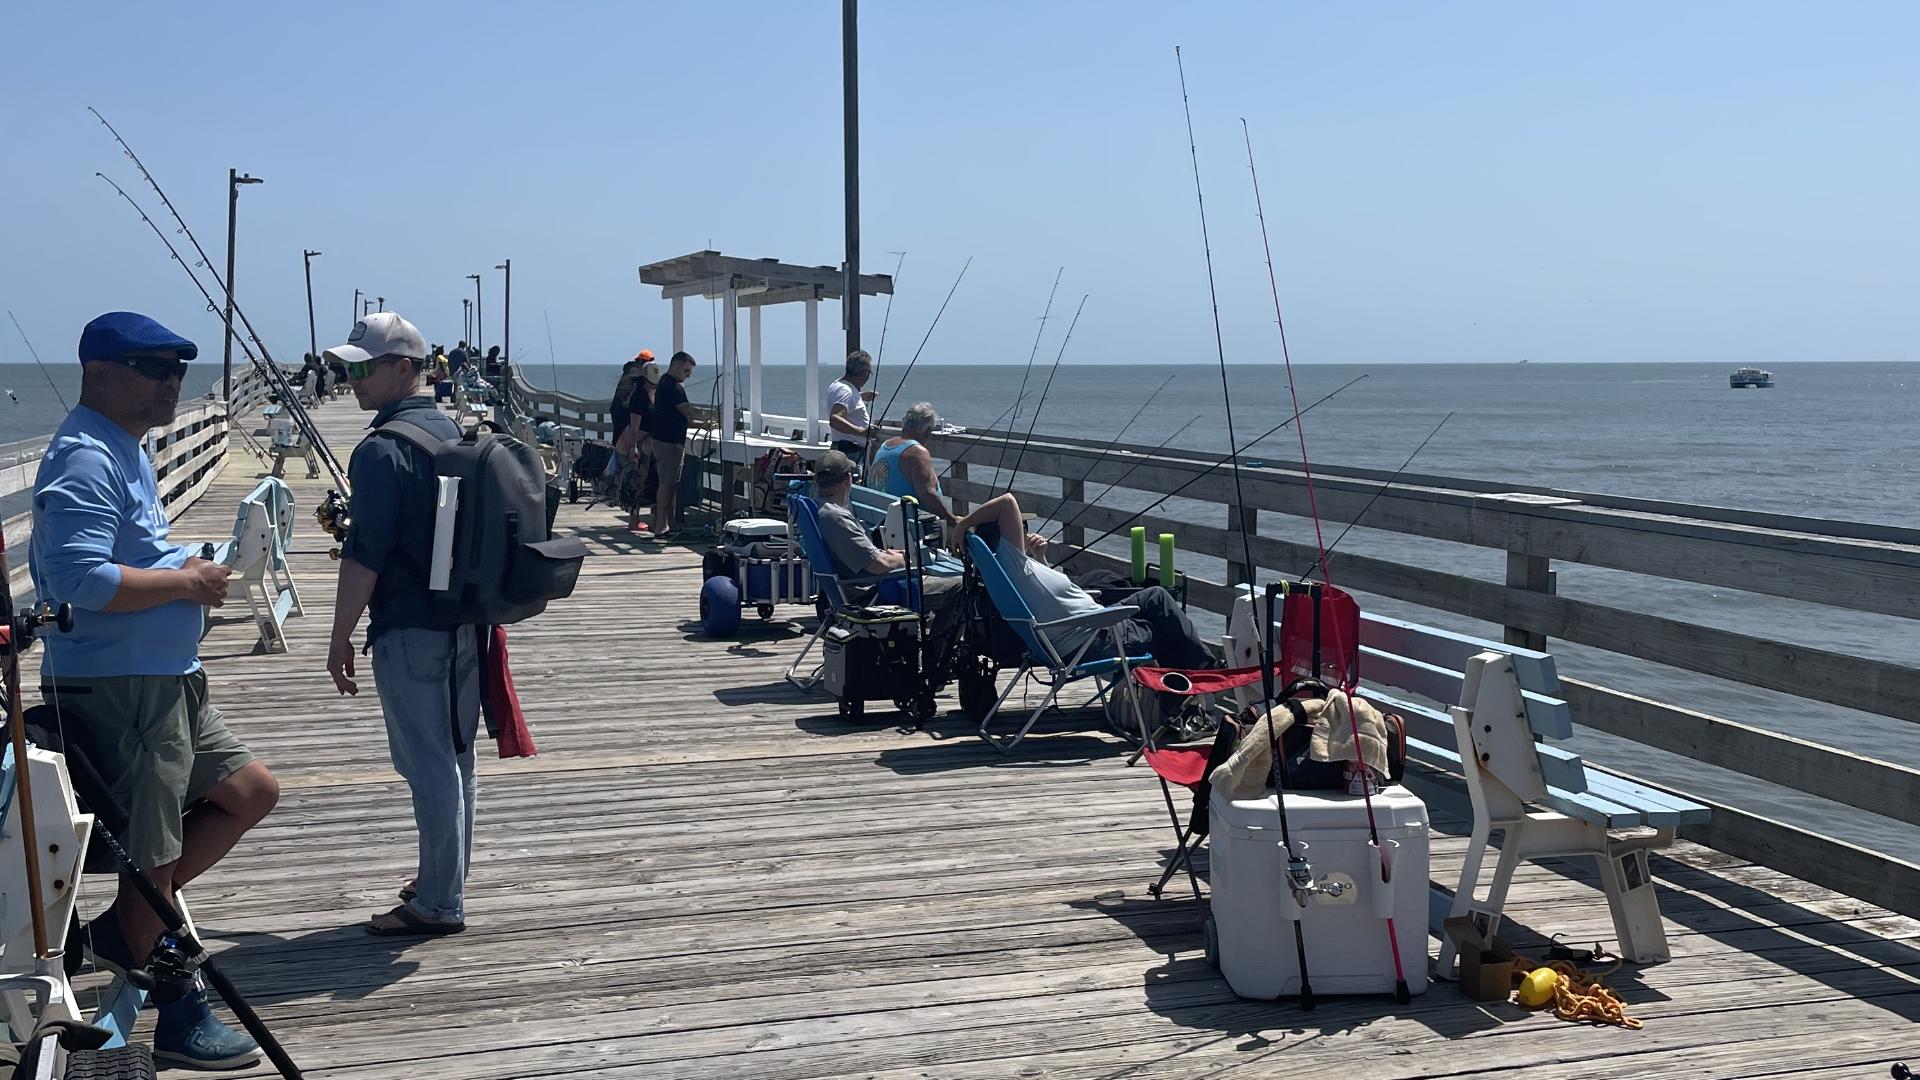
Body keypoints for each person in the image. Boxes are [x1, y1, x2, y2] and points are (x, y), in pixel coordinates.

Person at [32, 312, 279, 1070]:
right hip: (122, 687)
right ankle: (158, 980)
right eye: (153, 367)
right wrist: (184, 581)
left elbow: (130, 550)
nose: (172, 381)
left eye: (178, 368)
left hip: (171, 681)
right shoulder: (83, 457)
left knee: (251, 792)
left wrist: (196, 559)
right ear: (101, 371)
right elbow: (75, 581)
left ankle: (123, 932)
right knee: (154, 845)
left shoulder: (125, 450)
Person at [322, 312, 481, 938]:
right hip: (465, 621)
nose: (352, 377)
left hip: (411, 627)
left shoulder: (381, 449)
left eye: (365, 367)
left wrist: (339, 638)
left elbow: (366, 556)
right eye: (348, 366)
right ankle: (445, 878)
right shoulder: (451, 429)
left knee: (427, 761)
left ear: (405, 369)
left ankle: (440, 903)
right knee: (457, 756)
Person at [955, 492, 1217, 670]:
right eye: (1020, 527)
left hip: (1079, 629)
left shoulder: (1006, 570)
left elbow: (1049, 597)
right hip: (1093, 637)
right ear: (1004, 538)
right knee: (1160, 621)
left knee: (1155, 598)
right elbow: (1007, 501)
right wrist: (962, 524)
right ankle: (1204, 672)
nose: (1024, 530)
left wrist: (1039, 557)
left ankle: (1187, 686)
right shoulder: (1011, 561)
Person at [812, 450, 961, 608]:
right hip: (868, 594)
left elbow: (864, 555)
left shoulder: (816, 509)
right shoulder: (837, 518)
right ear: (848, 480)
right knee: (960, 585)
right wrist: (910, 558)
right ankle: (937, 634)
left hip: (843, 590)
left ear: (816, 480)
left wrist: (888, 555)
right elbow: (878, 565)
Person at [870, 401, 957, 530]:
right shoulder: (917, 452)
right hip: (911, 527)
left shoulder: (885, 446)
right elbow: (927, 494)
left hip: (883, 521)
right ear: (928, 431)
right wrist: (952, 519)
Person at [649, 351, 698, 539]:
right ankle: (660, 526)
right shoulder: (673, 387)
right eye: (686, 371)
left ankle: (670, 523)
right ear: (676, 365)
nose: (686, 376)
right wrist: (709, 416)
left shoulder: (662, 384)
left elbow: (676, 415)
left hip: (663, 439)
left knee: (670, 484)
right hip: (668, 443)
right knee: (666, 484)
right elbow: (687, 411)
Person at [623, 359, 660, 532]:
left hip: (654, 443)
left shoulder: (654, 394)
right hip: (642, 442)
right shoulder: (638, 397)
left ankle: (655, 519)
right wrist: (633, 447)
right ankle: (633, 519)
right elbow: (634, 425)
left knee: (655, 482)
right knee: (639, 482)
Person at [825, 350, 876, 458]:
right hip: (851, 452)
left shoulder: (837, 385)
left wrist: (860, 396)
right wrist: (862, 432)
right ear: (864, 373)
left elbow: (843, 401)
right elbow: (835, 419)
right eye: (869, 374)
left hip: (843, 449)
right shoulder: (845, 391)